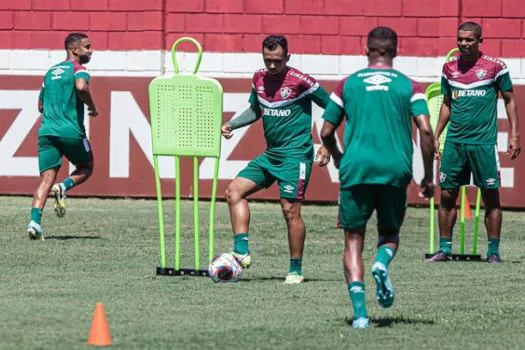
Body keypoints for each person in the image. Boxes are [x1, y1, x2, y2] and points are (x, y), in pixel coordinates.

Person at [320, 27, 435, 328]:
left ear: (366, 49)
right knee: (389, 234)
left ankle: (360, 316)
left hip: (356, 169)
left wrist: (339, 157)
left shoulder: (347, 85)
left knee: (353, 241)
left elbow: (326, 132)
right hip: (395, 170)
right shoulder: (410, 86)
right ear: (395, 51)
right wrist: (428, 176)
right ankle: (381, 262)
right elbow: (425, 129)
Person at [221, 35, 331, 284]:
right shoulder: (259, 78)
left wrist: (327, 145)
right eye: (267, 60)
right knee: (234, 192)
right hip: (271, 155)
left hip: (296, 157)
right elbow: (255, 110)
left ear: (287, 58)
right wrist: (232, 124)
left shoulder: (302, 81)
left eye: (277, 61)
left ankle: (295, 269)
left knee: (290, 210)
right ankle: (241, 250)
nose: (272, 66)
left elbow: (334, 107)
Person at [426, 22, 521, 263]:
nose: (463, 44)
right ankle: (444, 249)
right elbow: (447, 103)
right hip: (455, 143)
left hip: (483, 144)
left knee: (491, 196)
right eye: (460, 39)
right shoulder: (449, 68)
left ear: (480, 41)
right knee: (447, 195)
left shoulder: (496, 67)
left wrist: (514, 134)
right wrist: (437, 134)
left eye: (469, 40)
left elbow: (510, 101)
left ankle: (493, 252)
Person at [27, 32, 98, 240]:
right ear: (74, 50)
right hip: (71, 132)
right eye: (87, 47)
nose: (91, 50)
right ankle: (64, 186)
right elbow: (81, 87)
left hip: (46, 132)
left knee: (46, 179)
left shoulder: (50, 72)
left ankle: (34, 223)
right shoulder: (79, 69)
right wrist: (92, 107)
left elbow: (40, 105)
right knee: (87, 167)